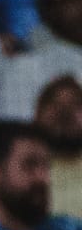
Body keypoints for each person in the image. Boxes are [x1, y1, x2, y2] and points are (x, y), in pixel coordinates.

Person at [33, 75, 82, 221]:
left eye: (76, 104)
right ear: (37, 113)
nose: (66, 112)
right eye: (55, 104)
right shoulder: (20, 168)